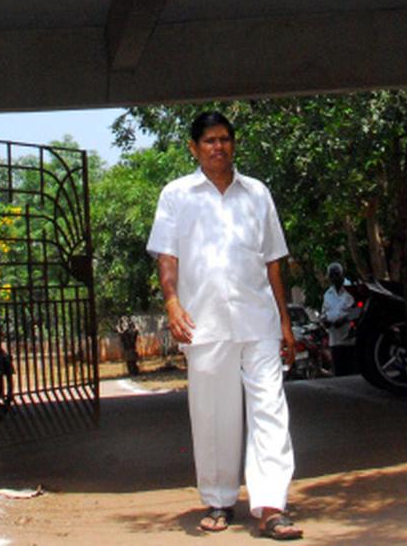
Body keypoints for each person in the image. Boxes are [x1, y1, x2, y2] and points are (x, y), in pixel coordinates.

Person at [147, 110, 303, 541]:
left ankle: (272, 505)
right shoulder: (176, 195)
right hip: (204, 322)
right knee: (213, 414)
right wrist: (172, 302)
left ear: (234, 144)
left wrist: (285, 322)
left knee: (270, 409)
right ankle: (218, 500)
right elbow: (166, 257)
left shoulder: (257, 194)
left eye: (225, 139)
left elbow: (273, 262)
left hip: (259, 320)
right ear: (194, 148)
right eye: (209, 141)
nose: (219, 147)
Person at [321, 262, 358, 376]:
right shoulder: (328, 294)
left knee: (351, 373)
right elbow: (324, 313)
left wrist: (345, 320)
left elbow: (358, 310)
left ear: (342, 275)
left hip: (350, 340)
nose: (334, 278)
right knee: (339, 374)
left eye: (336, 274)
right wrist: (325, 321)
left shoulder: (352, 290)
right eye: (331, 275)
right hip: (335, 341)